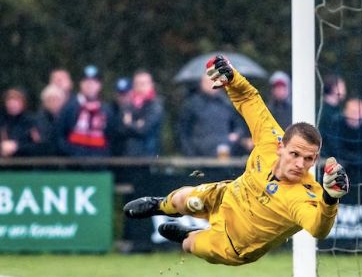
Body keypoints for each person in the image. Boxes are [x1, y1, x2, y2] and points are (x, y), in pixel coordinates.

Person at [123, 55, 350, 266]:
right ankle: (159, 205)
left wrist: (330, 199)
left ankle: (187, 236)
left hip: (233, 244)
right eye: (295, 154)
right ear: (281, 146)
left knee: (192, 245)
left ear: (315, 159)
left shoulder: (304, 195)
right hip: (227, 196)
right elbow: (250, 99)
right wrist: (231, 77)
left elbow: (318, 229)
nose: (300, 164)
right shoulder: (270, 140)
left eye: (308, 159)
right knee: (185, 199)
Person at [178, 70, 246, 157]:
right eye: (209, 82)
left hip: (224, 154)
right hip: (199, 156)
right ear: (202, 83)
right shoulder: (192, 104)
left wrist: (236, 135)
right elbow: (183, 131)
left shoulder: (226, 103)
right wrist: (190, 153)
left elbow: (238, 125)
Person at [57, 65, 113, 157]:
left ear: (99, 85)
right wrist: (71, 153)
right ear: (80, 84)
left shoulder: (106, 109)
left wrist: (103, 155)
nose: (90, 85)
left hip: (99, 163)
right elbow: (60, 135)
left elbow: (111, 137)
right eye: (86, 82)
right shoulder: (70, 107)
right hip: (73, 163)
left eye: (94, 82)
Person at [113, 70, 164, 157]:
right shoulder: (128, 105)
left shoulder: (155, 105)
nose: (140, 87)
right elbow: (120, 129)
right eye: (137, 84)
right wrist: (136, 124)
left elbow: (144, 130)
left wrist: (129, 123)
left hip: (148, 156)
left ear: (151, 85)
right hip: (127, 156)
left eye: (143, 84)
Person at [0, 87, 40, 157]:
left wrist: (17, 147)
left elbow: (38, 145)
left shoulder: (31, 121)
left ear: (23, 103)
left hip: (26, 163)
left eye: (16, 102)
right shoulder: (2, 121)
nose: (12, 105)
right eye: (9, 102)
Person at [34, 84, 68, 156]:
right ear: (44, 103)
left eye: (56, 99)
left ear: (63, 101)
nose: (53, 102)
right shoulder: (37, 120)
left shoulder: (70, 118)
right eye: (49, 99)